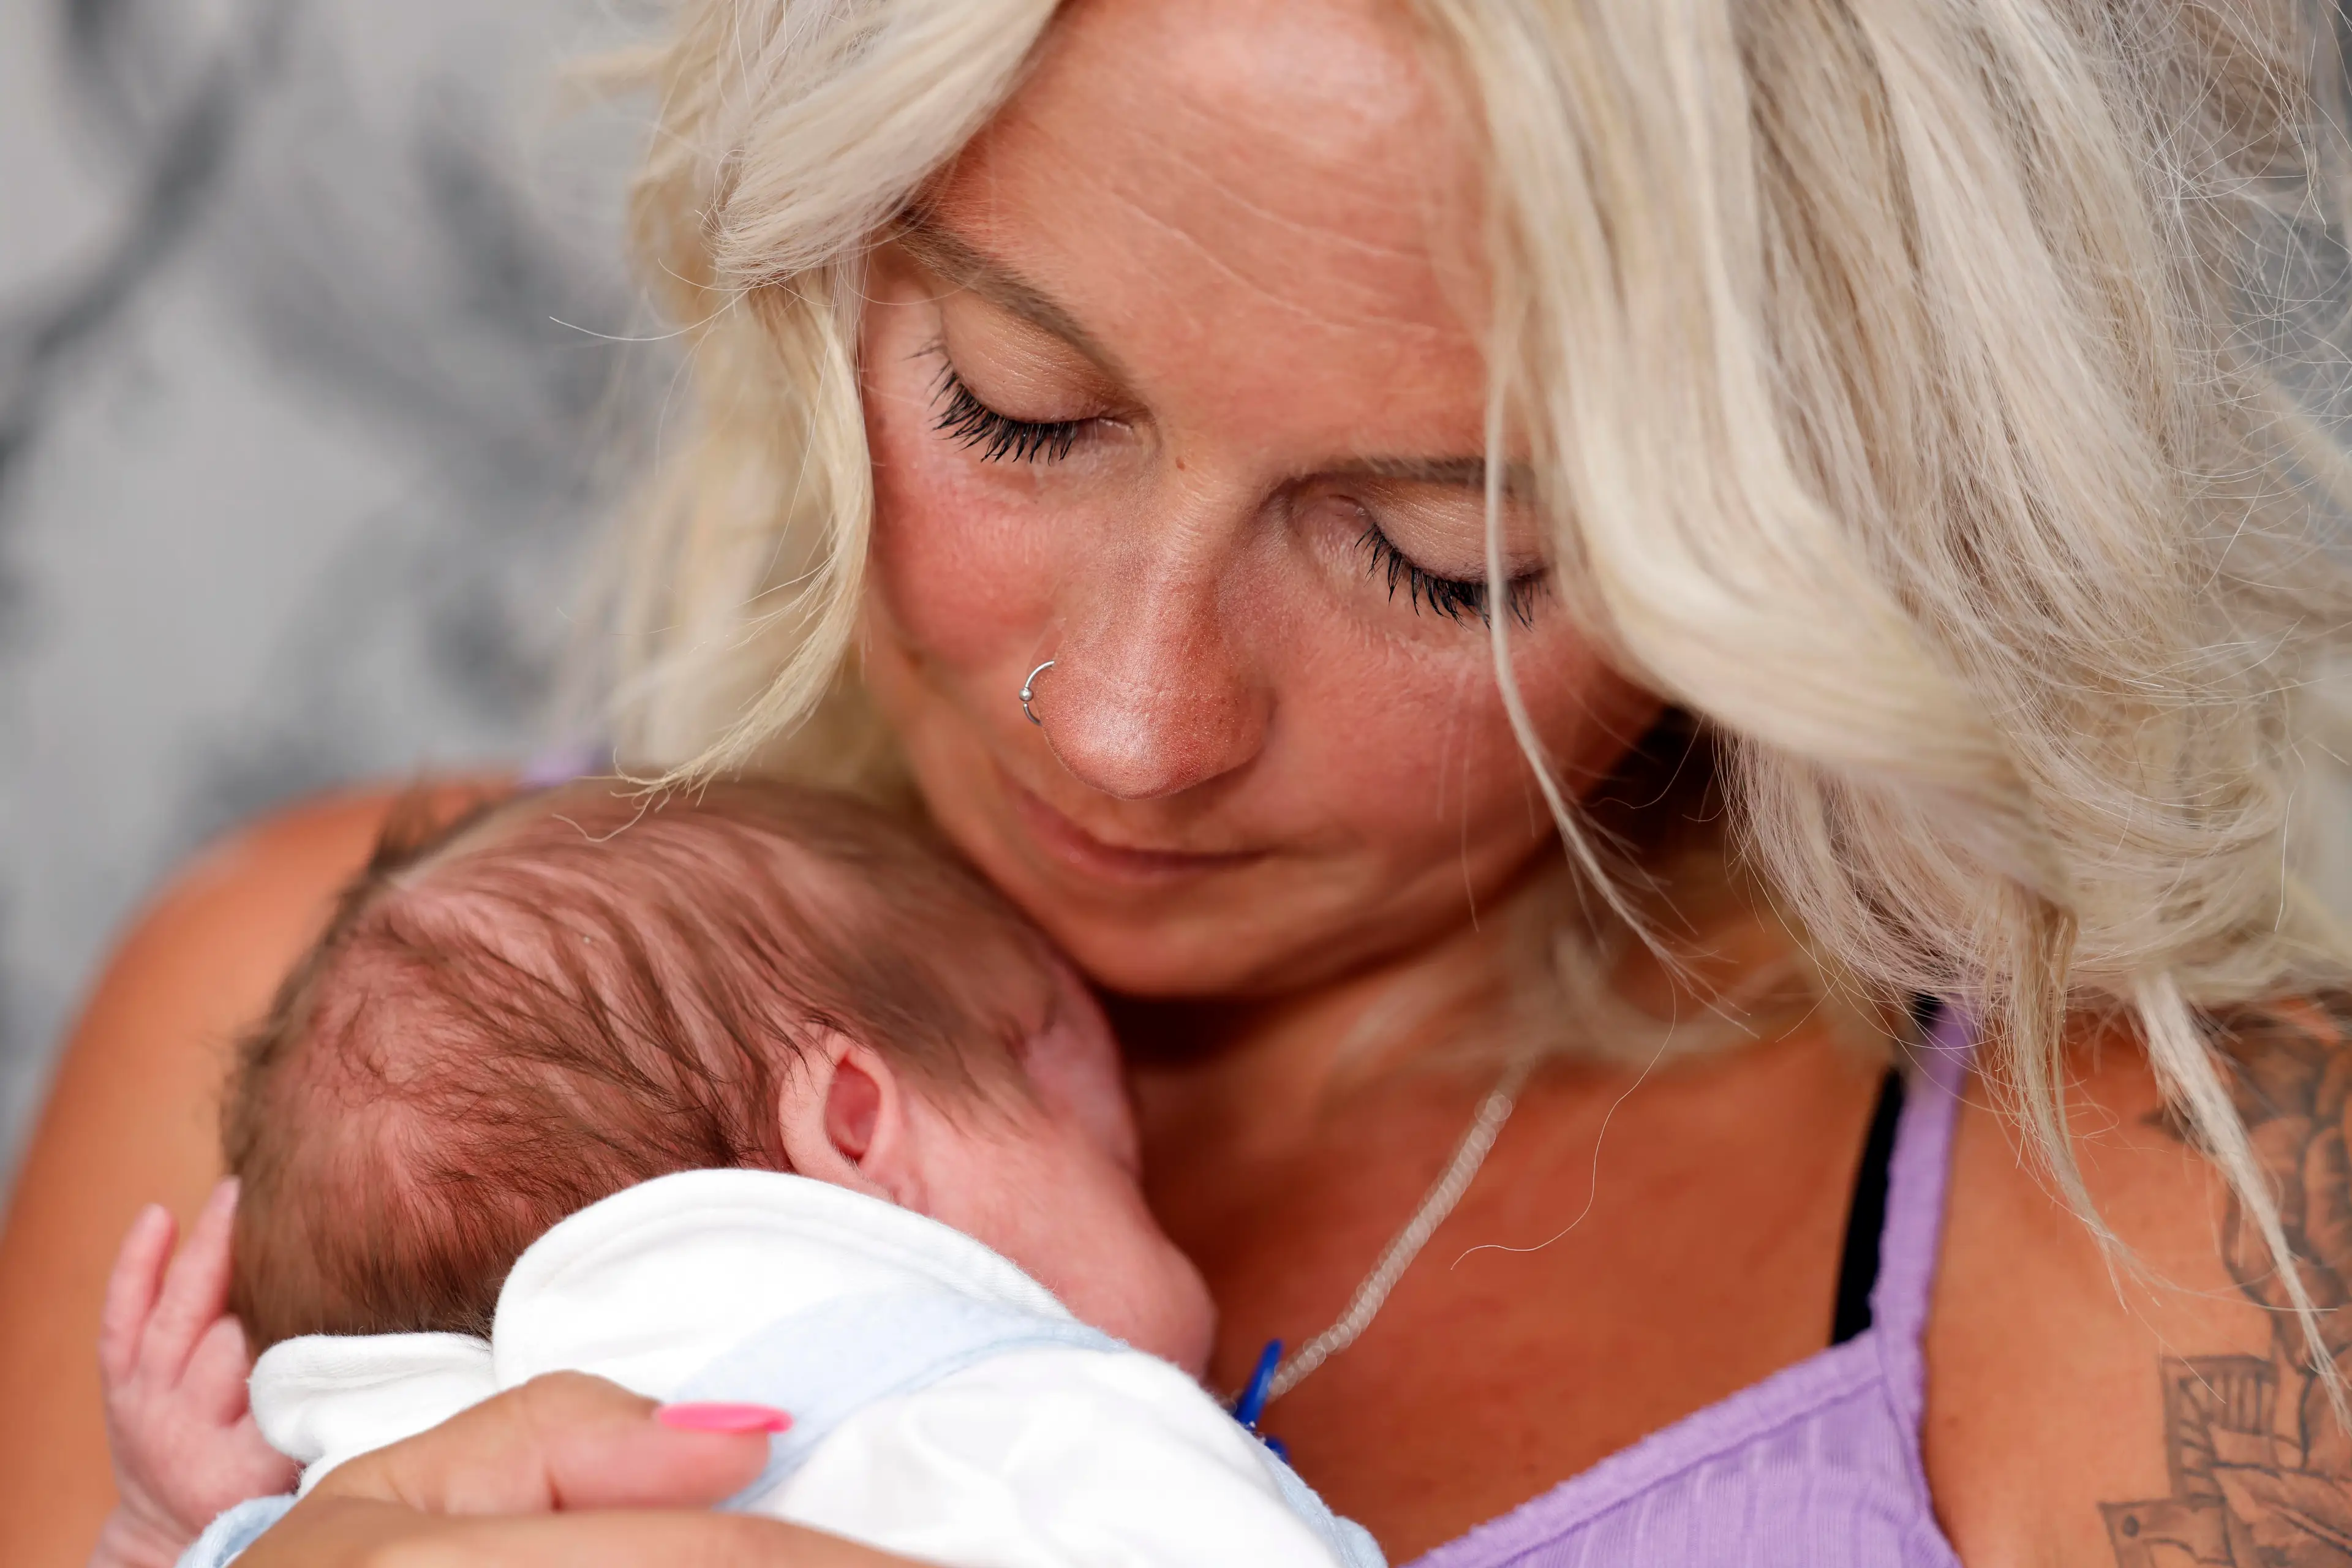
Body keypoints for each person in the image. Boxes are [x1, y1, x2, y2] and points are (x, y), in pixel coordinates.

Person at [9, 0, 2352, 1563]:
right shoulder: (328, 1061)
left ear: (1817, 526)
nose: (1132, 723)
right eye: (1017, 411)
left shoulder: (2205, 1246)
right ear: (829, 273)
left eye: (1443, 557)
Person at [91, 780, 1371, 1568]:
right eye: (1112, 1158)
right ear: (857, 1127)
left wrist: (180, 1527)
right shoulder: (1029, 1421)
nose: (1148, 1199)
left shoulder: (365, 1491)